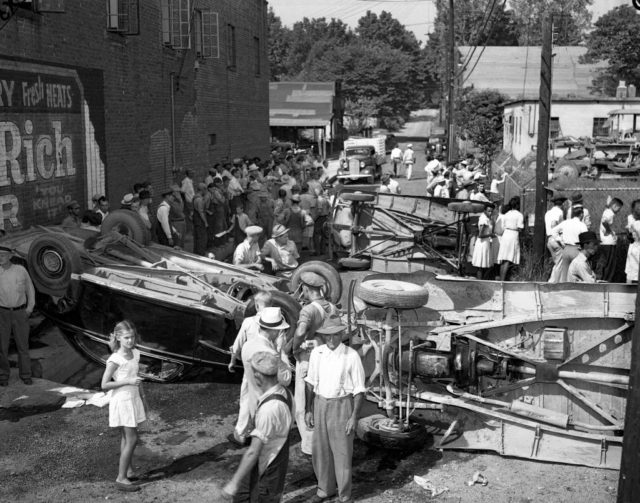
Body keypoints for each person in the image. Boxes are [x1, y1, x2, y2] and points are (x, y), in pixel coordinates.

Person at [305, 314, 365, 503]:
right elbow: (310, 382)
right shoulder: (317, 353)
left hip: (342, 406)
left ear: (342, 335)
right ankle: (324, 489)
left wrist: (353, 417)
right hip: (320, 404)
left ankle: (344, 495)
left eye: (335, 335)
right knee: (321, 450)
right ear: (322, 336)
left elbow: (359, 390)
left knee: (342, 452)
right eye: (327, 336)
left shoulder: (351, 356)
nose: (331, 340)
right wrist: (308, 409)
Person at [221, 352, 293, 503]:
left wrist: (233, 483)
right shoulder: (286, 393)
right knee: (242, 496)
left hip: (267, 467)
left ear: (259, 376)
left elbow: (253, 451)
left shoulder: (269, 409)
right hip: (273, 459)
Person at [290, 272, 340, 456]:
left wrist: (295, 348)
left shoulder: (308, 310)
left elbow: (301, 330)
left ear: (305, 288)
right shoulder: (332, 308)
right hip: (327, 358)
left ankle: (310, 447)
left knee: (303, 403)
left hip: (309, 358)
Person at [231, 307, 291, 446]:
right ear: (274, 331)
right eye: (280, 330)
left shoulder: (247, 345)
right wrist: (283, 355)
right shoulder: (270, 353)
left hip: (253, 396)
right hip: (267, 403)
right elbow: (286, 379)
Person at [100, 320, 146, 492]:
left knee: (126, 438)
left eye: (132, 337)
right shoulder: (115, 359)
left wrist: (143, 397)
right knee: (132, 438)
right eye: (126, 337)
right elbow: (104, 385)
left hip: (133, 398)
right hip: (122, 401)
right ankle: (121, 478)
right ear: (118, 338)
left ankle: (128, 470)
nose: (130, 341)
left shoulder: (136, 353)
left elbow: (137, 375)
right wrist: (127, 381)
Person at [228, 291, 273, 443]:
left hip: (251, 363)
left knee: (247, 398)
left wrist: (233, 360)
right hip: (268, 363)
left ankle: (241, 433)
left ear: (257, 304)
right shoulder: (276, 322)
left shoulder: (248, 321)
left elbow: (237, 344)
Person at [0, 245, 36, 386]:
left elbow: (30, 289)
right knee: (2, 347)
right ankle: (3, 375)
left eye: (3, 255)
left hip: (20, 313)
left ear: (10, 256)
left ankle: (26, 375)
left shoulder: (20, 270)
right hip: (2, 313)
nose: (0, 257)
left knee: (23, 346)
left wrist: (30, 308)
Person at [549, 205, 588, 283]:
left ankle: (563, 289)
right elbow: (586, 238)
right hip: (577, 249)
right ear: (581, 215)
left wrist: (561, 241)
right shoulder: (582, 225)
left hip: (566, 249)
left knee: (565, 273)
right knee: (576, 272)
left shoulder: (565, 223)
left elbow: (553, 231)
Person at [497, 197, 524, 281]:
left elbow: (503, 225)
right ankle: (502, 280)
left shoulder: (506, 214)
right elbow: (520, 228)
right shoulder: (519, 215)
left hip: (506, 234)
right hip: (513, 235)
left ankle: (502, 279)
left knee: (504, 258)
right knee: (508, 258)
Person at [597, 197, 623, 282]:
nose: (619, 210)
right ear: (615, 205)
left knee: (607, 262)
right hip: (608, 242)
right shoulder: (610, 213)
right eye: (619, 208)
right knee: (609, 264)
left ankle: (604, 279)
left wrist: (608, 203)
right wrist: (610, 231)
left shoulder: (607, 211)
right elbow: (604, 222)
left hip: (607, 242)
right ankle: (605, 280)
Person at [545, 193, 567, 283]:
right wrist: (561, 241)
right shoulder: (559, 212)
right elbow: (554, 224)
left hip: (549, 239)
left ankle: (554, 281)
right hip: (556, 239)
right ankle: (553, 283)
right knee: (560, 264)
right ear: (562, 203)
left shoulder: (548, 213)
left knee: (557, 263)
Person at [472, 204, 495, 279]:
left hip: (486, 243)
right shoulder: (483, 219)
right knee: (481, 265)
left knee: (484, 265)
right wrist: (490, 235)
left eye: (491, 211)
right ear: (485, 211)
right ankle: (480, 281)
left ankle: (481, 280)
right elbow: (480, 235)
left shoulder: (488, 219)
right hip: (482, 243)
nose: (490, 213)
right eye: (488, 211)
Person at [192, 183, 209, 256]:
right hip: (199, 221)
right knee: (202, 238)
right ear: (203, 190)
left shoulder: (194, 197)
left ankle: (196, 252)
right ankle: (201, 253)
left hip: (196, 219)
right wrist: (205, 222)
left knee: (197, 237)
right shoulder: (199, 199)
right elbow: (201, 212)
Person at [625, 200, 640, 283]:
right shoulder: (636, 224)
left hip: (635, 248)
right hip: (637, 249)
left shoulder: (634, 223)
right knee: (633, 271)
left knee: (632, 271)